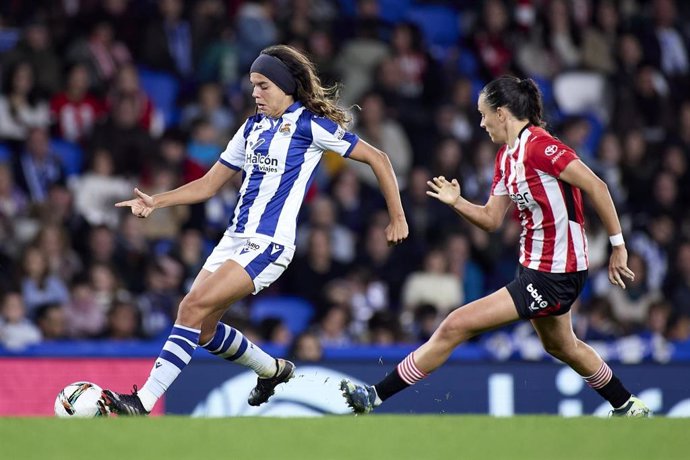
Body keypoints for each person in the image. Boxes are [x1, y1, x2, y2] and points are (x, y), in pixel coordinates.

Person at [100, 44, 408, 415]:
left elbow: (379, 158)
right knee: (204, 330)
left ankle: (142, 402)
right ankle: (272, 370)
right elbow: (208, 185)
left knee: (190, 306)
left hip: (270, 245)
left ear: (284, 87)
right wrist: (156, 201)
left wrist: (397, 216)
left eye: (262, 85)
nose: (254, 93)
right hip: (233, 240)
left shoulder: (310, 125)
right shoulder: (250, 128)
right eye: (252, 85)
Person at [341, 75, 651, 418]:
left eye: (483, 113)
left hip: (557, 272)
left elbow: (597, 186)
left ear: (502, 113)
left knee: (456, 324)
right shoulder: (506, 158)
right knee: (562, 346)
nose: (481, 122)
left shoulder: (541, 146)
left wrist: (617, 246)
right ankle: (627, 405)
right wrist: (457, 202)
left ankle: (375, 395)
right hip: (534, 266)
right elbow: (491, 219)